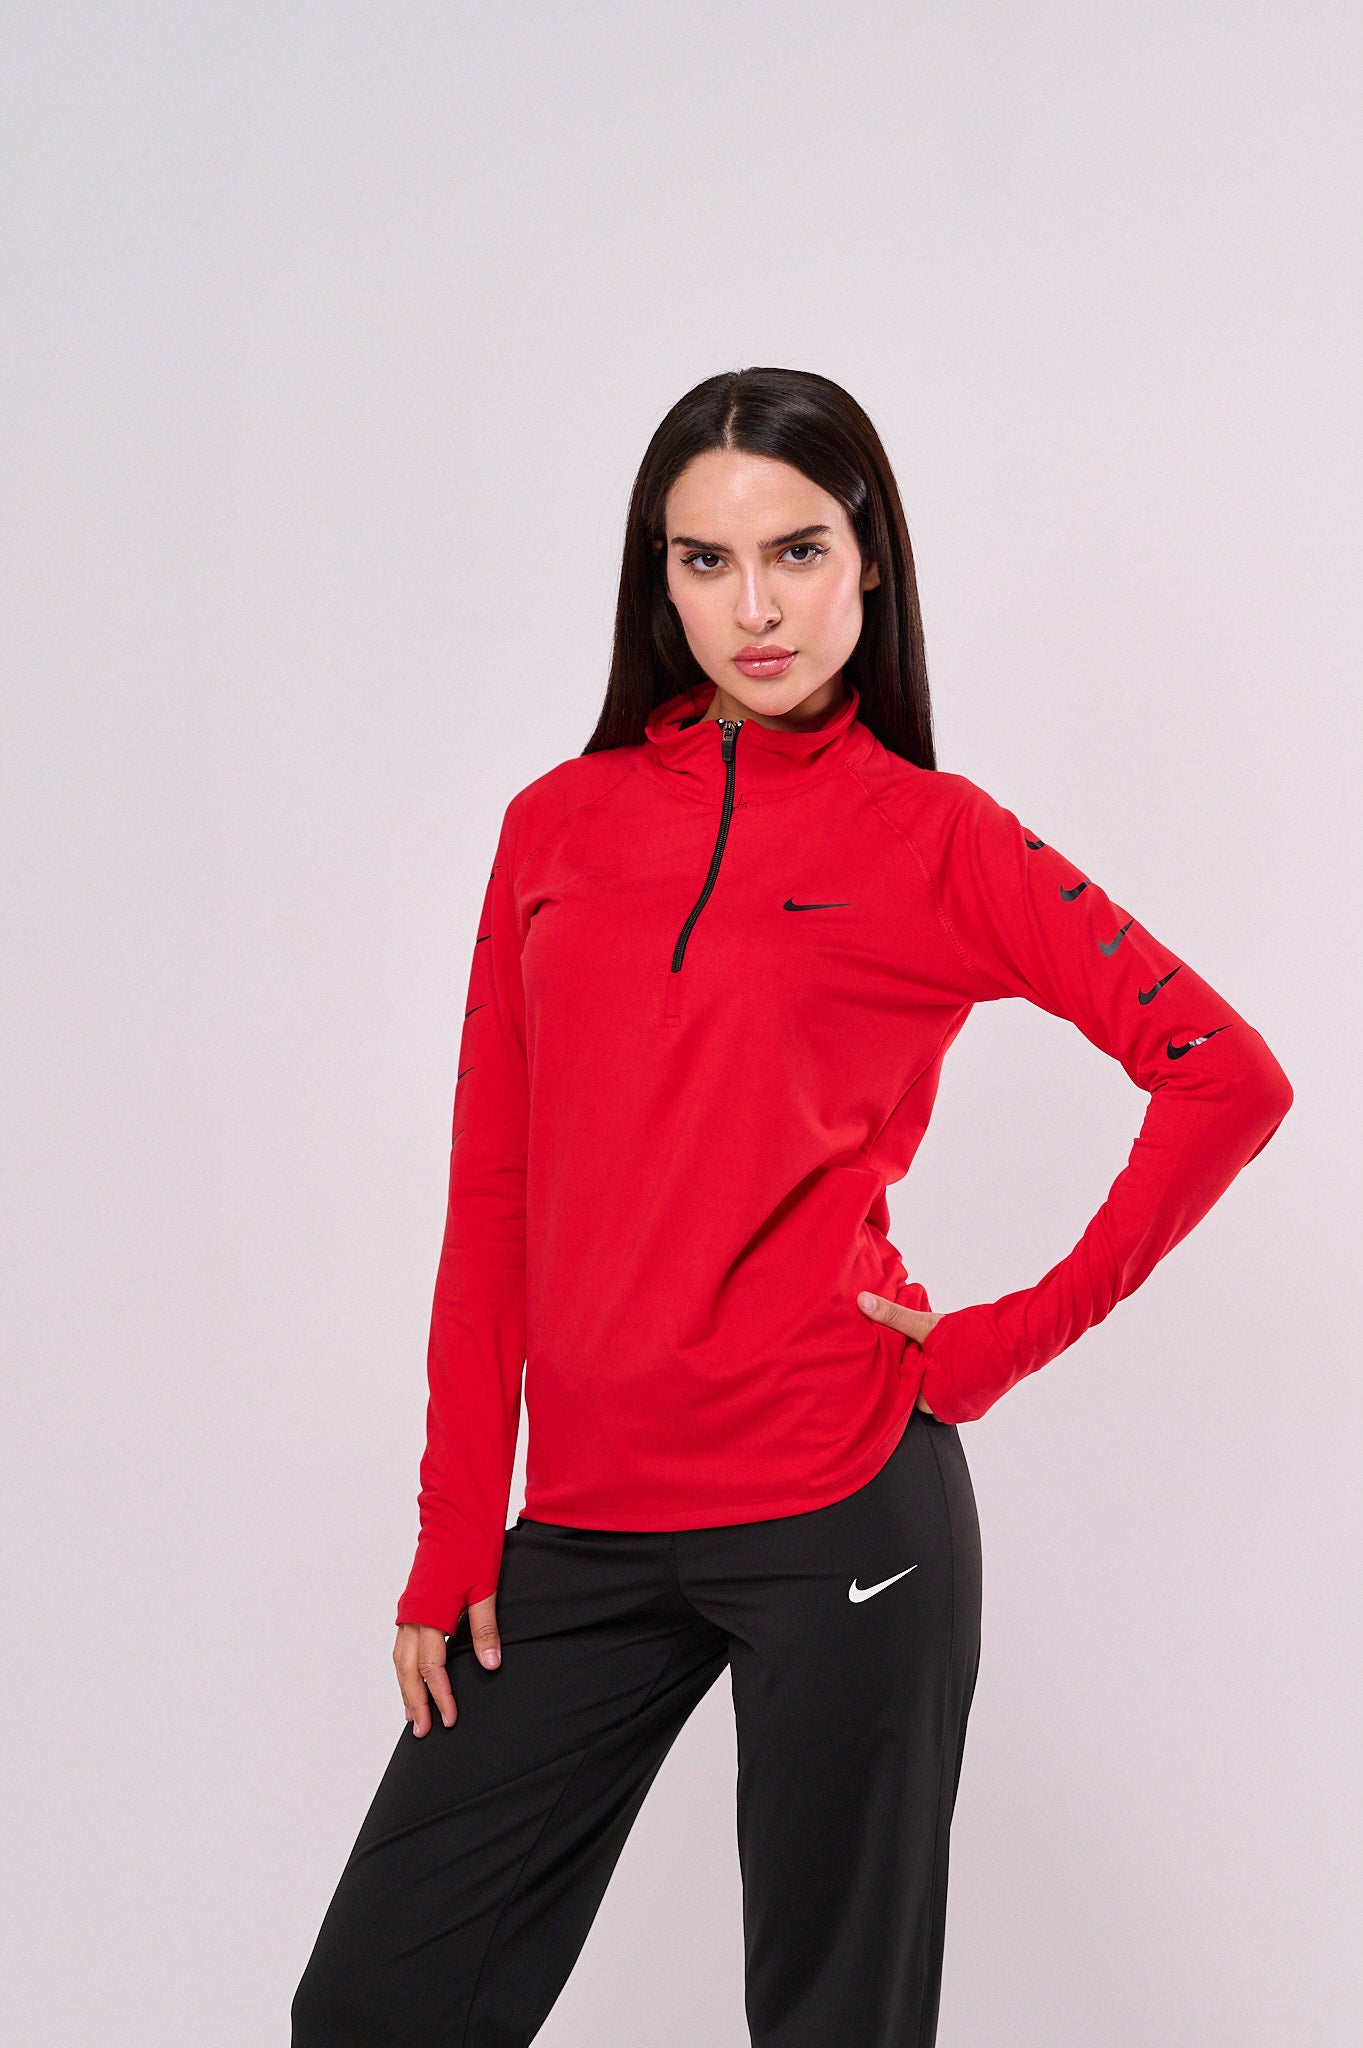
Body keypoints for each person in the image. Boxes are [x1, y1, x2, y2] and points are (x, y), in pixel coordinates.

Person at [290, 367, 1293, 2047]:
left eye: (797, 551)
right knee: (374, 2010)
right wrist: (459, 1523)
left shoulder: (938, 838)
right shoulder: (557, 827)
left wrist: (994, 1346)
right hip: (582, 1526)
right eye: (706, 561)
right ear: (659, 580)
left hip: (842, 1502)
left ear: (870, 559)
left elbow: (1222, 1074)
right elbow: (496, 1188)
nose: (753, 607)